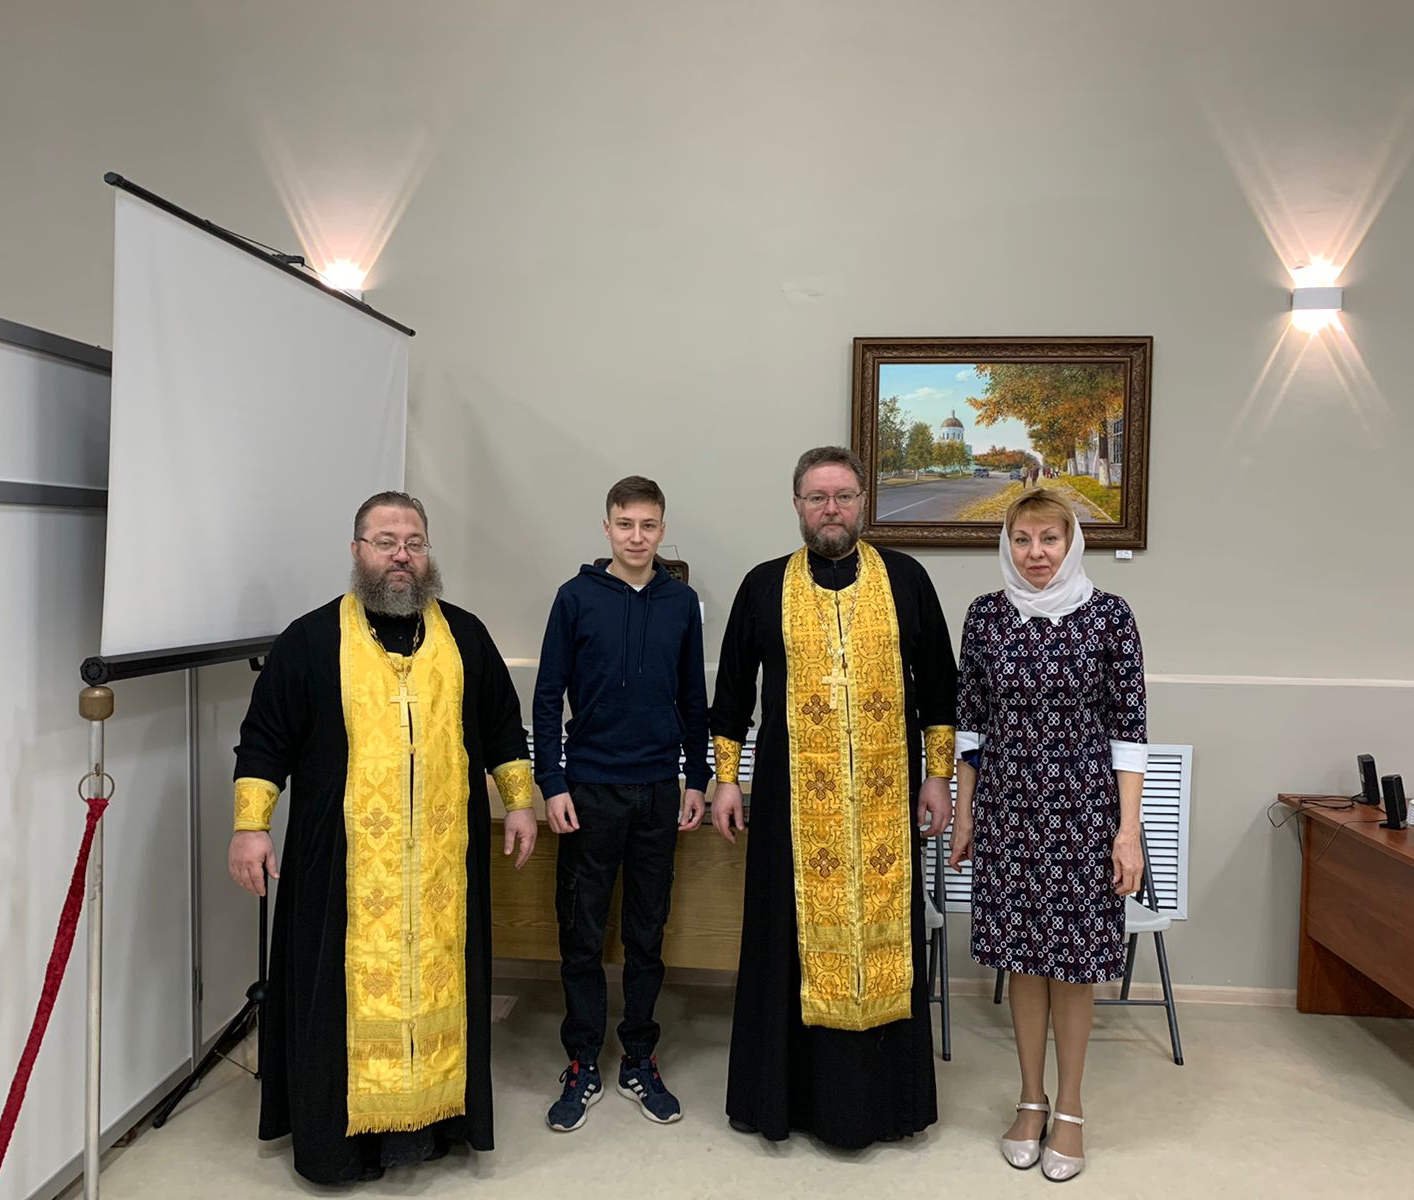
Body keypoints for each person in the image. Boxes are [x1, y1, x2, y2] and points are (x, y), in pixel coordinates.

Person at [227, 490, 538, 1186]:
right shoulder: (310, 640)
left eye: (414, 542)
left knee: (442, 989)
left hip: (442, 867)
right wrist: (251, 825)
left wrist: (520, 802)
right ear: (357, 551)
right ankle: (342, 1148)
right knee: (336, 999)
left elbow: (501, 725)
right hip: (339, 864)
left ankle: (437, 1125)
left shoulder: (465, 636)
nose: (402, 556)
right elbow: (265, 738)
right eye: (386, 541)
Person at [708, 445, 957, 1148]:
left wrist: (938, 775)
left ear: (863, 502)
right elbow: (733, 692)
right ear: (796, 505)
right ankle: (784, 1101)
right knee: (784, 941)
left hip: (886, 802)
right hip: (790, 805)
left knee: (886, 940)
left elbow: (940, 685)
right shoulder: (764, 586)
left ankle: (886, 1106)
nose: (831, 510)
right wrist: (726, 780)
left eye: (843, 496)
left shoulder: (906, 580)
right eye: (817, 498)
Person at [948, 489, 1146, 1183]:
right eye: (1023, 539)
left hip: (1084, 815)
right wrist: (965, 815)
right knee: (1023, 961)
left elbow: (1129, 733)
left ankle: (1071, 1110)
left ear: (1071, 543)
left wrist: (1128, 832)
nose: (1036, 553)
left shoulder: (1109, 617)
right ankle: (1029, 1099)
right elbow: (971, 726)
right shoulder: (985, 617)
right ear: (1008, 544)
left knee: (1073, 967)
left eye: (1049, 539)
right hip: (1007, 811)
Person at [532, 476, 709, 1131]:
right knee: (580, 933)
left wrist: (698, 778)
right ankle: (582, 1062)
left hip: (658, 790)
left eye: (648, 525)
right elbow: (547, 696)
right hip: (589, 791)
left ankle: (638, 1057)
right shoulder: (575, 598)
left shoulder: (680, 603)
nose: (637, 536)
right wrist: (552, 782)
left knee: (646, 933)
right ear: (607, 527)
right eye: (626, 524)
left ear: (663, 530)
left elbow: (693, 699)